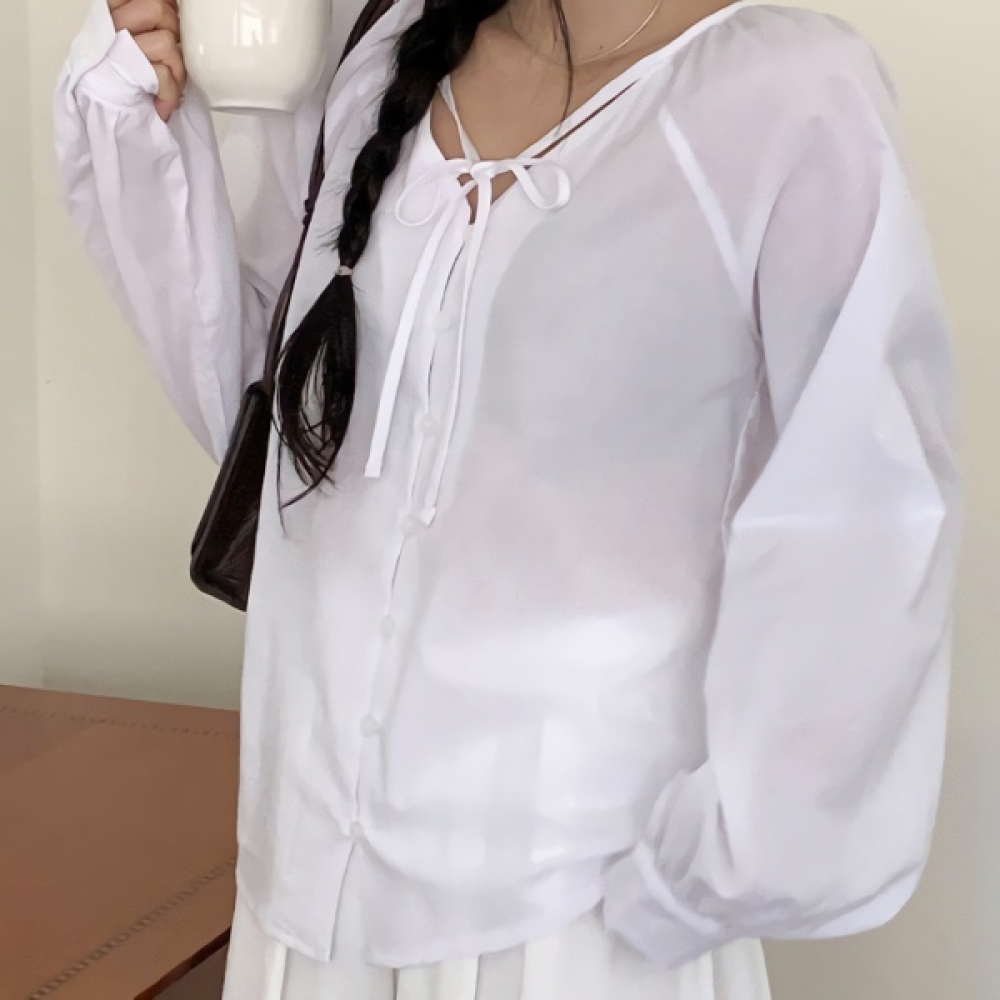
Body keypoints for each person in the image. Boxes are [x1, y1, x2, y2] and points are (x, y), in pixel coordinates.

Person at [53, 0, 962, 996]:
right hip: (306, 907)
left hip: (575, 921)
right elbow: (285, 436)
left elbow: (864, 525)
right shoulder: (376, 57)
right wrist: (134, 114)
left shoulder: (787, 95)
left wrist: (705, 884)